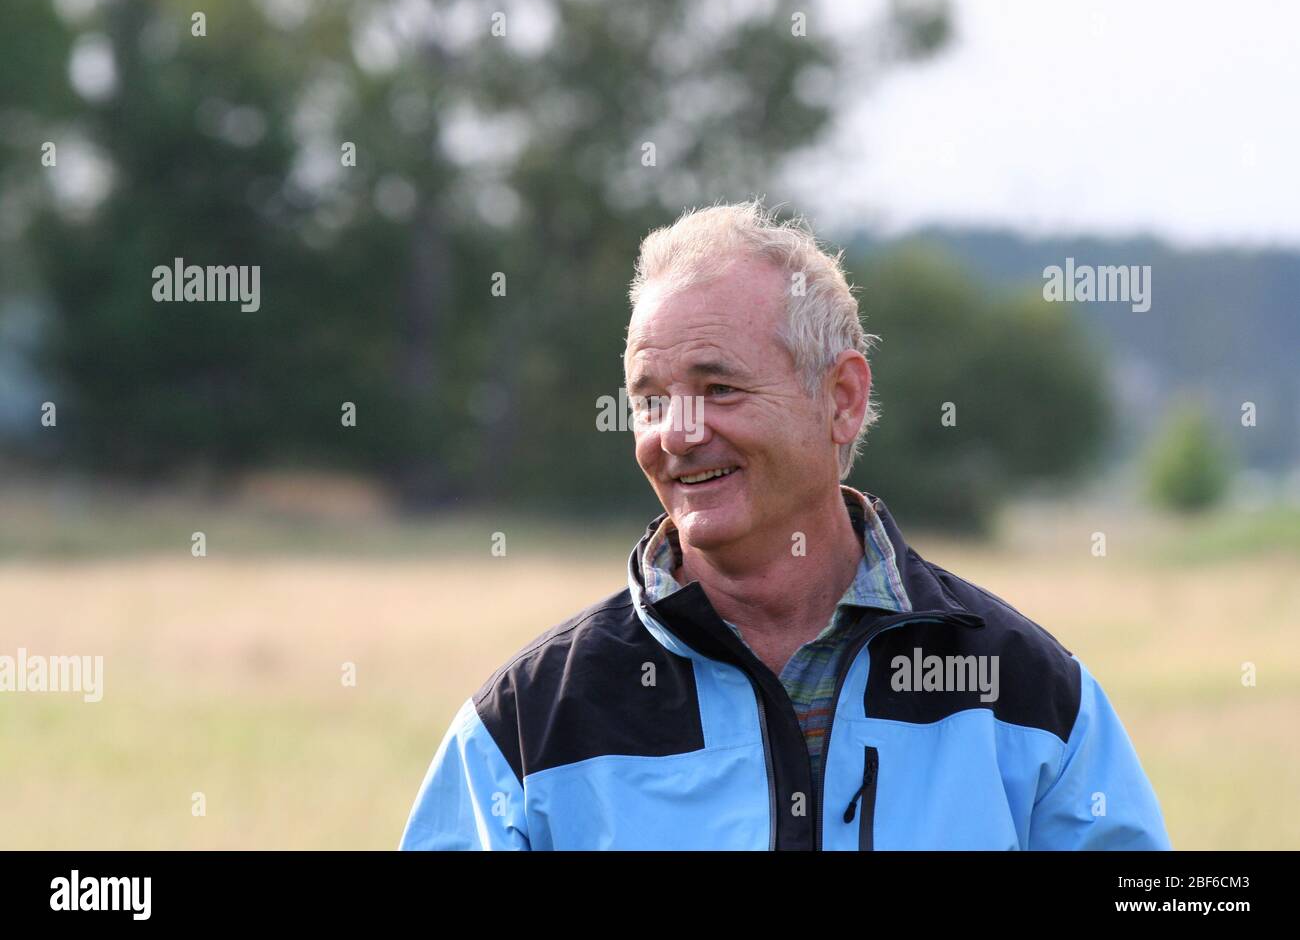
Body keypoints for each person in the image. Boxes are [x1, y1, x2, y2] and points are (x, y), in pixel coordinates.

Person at [399, 200, 1171, 850]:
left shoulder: (1031, 694)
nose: (677, 432)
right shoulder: (528, 726)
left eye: (719, 387)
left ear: (841, 398)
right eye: (651, 399)